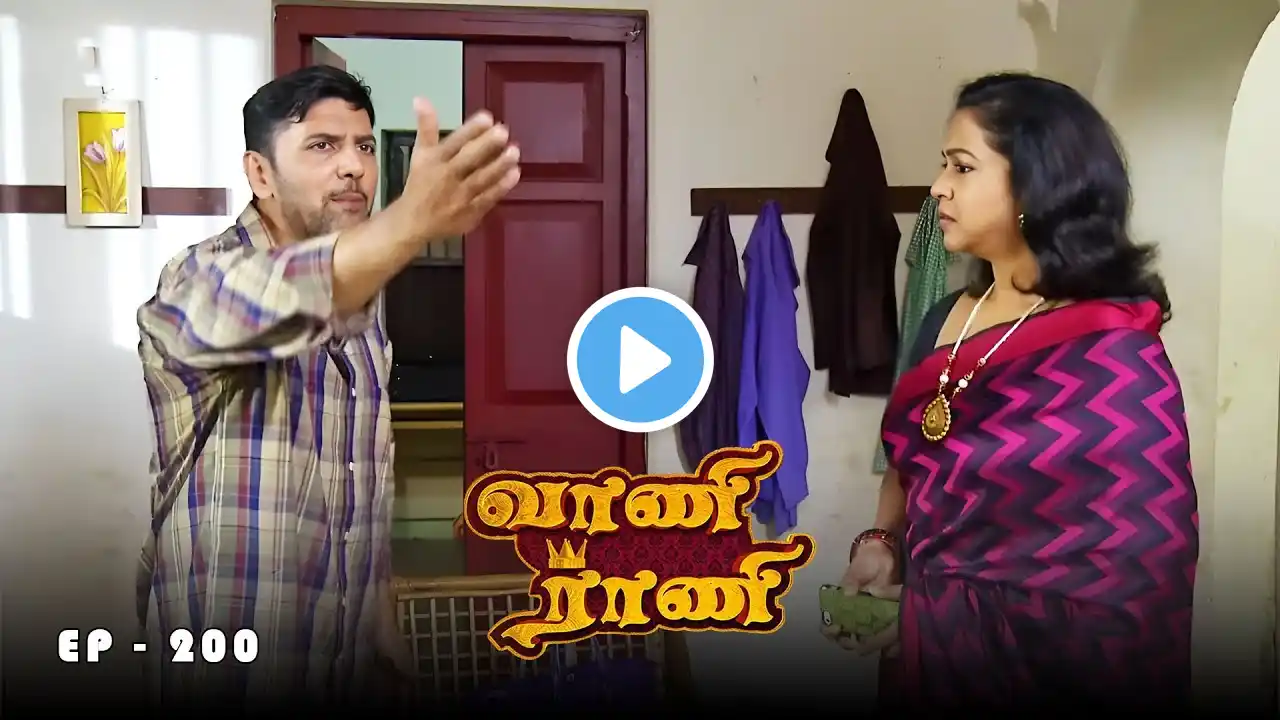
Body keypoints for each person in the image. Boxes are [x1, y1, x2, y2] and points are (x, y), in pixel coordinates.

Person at [133, 65, 520, 708]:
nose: (353, 167)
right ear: (260, 174)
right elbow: (270, 295)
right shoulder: (196, 279)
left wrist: (383, 629)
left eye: (364, 146)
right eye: (322, 145)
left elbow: (363, 483)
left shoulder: (365, 300)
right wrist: (410, 222)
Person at [820, 72, 1199, 710]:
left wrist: (930, 622)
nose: (938, 186)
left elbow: (1134, 579)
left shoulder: (1111, 355)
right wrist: (883, 545)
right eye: (943, 164)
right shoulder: (945, 319)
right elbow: (913, 464)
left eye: (962, 167)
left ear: (1034, 184)